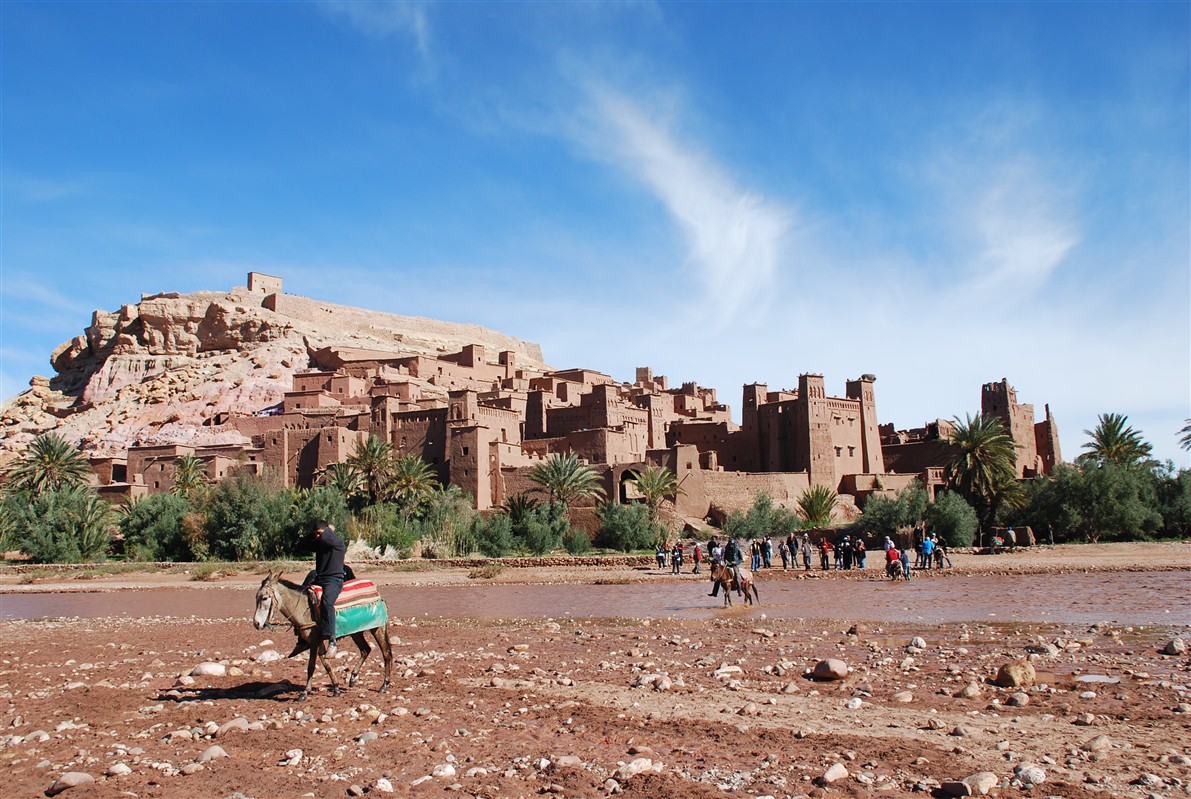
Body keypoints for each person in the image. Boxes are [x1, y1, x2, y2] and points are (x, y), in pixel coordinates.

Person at [304, 519, 346, 656]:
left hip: (334, 579)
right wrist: (316, 534)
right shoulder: (321, 543)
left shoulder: (337, 543)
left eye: (320, 533)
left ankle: (332, 640)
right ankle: (302, 638)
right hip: (320, 578)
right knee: (303, 595)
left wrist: (327, 530)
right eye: (315, 534)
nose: (318, 537)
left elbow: (327, 537)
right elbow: (301, 545)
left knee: (327, 602)